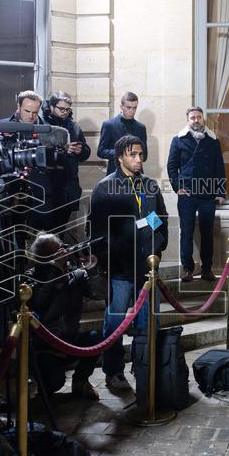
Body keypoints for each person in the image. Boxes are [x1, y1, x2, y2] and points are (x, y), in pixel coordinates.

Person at [87, 135, 168, 392]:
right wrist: (111, 258)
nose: (138, 159)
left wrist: (157, 244)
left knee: (147, 324)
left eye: (141, 154)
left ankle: (144, 371)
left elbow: (160, 217)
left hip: (147, 270)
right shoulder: (105, 188)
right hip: (120, 271)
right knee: (114, 325)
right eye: (133, 154)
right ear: (120, 156)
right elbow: (97, 233)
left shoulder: (150, 185)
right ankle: (113, 373)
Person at [26, 233, 99, 400]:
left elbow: (100, 294)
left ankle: (80, 381)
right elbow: (37, 303)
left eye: (64, 248)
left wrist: (92, 270)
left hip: (70, 340)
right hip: (46, 346)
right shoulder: (31, 277)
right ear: (45, 257)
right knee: (53, 385)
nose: (65, 252)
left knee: (95, 338)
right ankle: (42, 381)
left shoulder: (75, 275)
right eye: (59, 250)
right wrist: (55, 271)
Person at [166, 106, 226, 282]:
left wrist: (220, 192)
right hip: (187, 194)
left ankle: (207, 269)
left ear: (203, 119)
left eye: (199, 117)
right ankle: (187, 269)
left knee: (207, 233)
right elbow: (171, 167)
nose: (196, 120)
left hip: (207, 194)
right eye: (192, 118)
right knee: (186, 232)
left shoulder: (213, 141)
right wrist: (178, 188)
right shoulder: (178, 140)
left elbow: (219, 168)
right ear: (188, 120)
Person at [0, 90, 55, 233]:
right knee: (11, 230)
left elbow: (56, 160)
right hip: (10, 188)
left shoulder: (48, 129)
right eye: (27, 111)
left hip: (40, 188)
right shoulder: (3, 126)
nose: (31, 116)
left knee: (43, 230)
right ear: (18, 106)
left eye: (35, 112)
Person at [42, 91, 91, 232]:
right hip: (49, 184)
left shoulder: (74, 126)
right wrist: (62, 149)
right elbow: (41, 151)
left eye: (67, 109)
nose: (64, 112)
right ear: (51, 107)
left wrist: (80, 150)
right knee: (46, 230)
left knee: (61, 229)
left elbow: (86, 153)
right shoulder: (42, 125)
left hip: (69, 185)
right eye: (61, 108)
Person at [97, 92, 147, 175]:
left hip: (136, 175)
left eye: (135, 108)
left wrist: (134, 154)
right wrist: (121, 153)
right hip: (115, 174)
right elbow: (101, 151)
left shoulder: (141, 128)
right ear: (121, 107)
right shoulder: (109, 125)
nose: (132, 111)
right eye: (129, 108)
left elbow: (144, 156)